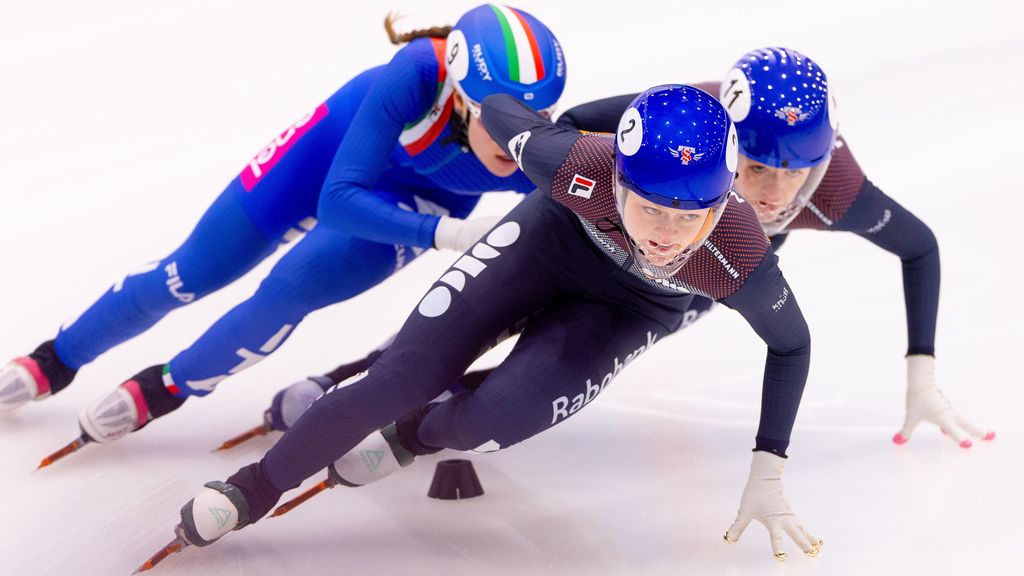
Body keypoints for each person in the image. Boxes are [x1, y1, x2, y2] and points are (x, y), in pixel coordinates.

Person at [164, 84, 821, 561]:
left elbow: (793, 346)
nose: (666, 237)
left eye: (691, 218)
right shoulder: (575, 167)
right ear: (615, 178)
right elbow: (504, 110)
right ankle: (252, 489)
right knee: (400, 378)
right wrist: (592, 118)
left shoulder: (737, 255)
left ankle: (412, 437)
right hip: (550, 240)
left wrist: (769, 466)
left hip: (630, 309)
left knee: (489, 425)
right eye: (650, 210)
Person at [264, 46, 992, 450]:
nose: (772, 195)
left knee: (541, 365)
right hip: (577, 229)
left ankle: (434, 419)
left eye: (794, 174)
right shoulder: (688, 121)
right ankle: (352, 381)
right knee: (473, 315)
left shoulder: (835, 190)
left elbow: (919, 248)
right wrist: (559, 181)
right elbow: (575, 127)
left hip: (667, 286)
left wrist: (921, 370)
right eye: (753, 169)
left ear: (822, 162)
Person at [0, 5, 567, 449]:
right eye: (501, 115)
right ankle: (55, 358)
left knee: (287, 291)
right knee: (189, 271)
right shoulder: (416, 74)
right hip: (329, 161)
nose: (519, 132)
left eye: (537, 115)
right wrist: (446, 236)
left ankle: (163, 387)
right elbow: (340, 199)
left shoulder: (527, 150)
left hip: (418, 196)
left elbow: (598, 201)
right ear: (461, 97)